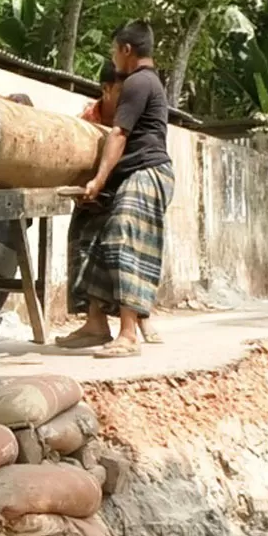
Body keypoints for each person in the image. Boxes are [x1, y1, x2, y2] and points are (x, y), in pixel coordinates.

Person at [58, 20, 174, 358]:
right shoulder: (145, 82)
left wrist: (98, 179)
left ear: (126, 50)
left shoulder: (139, 82)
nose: (114, 58)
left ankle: (127, 334)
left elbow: (119, 134)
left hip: (147, 171)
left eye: (114, 51)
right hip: (131, 172)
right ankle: (96, 323)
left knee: (122, 239)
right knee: (93, 236)